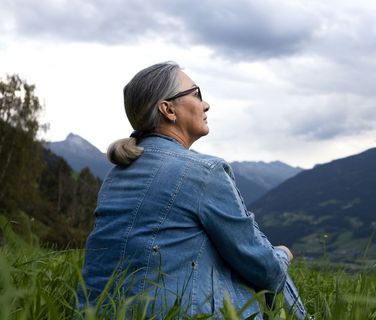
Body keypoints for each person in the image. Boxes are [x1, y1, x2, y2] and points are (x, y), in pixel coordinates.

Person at [77, 62, 307, 319]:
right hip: (173, 313)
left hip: (101, 312)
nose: (205, 104)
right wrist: (283, 255)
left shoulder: (115, 176)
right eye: (196, 94)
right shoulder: (204, 172)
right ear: (168, 109)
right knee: (265, 257)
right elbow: (264, 270)